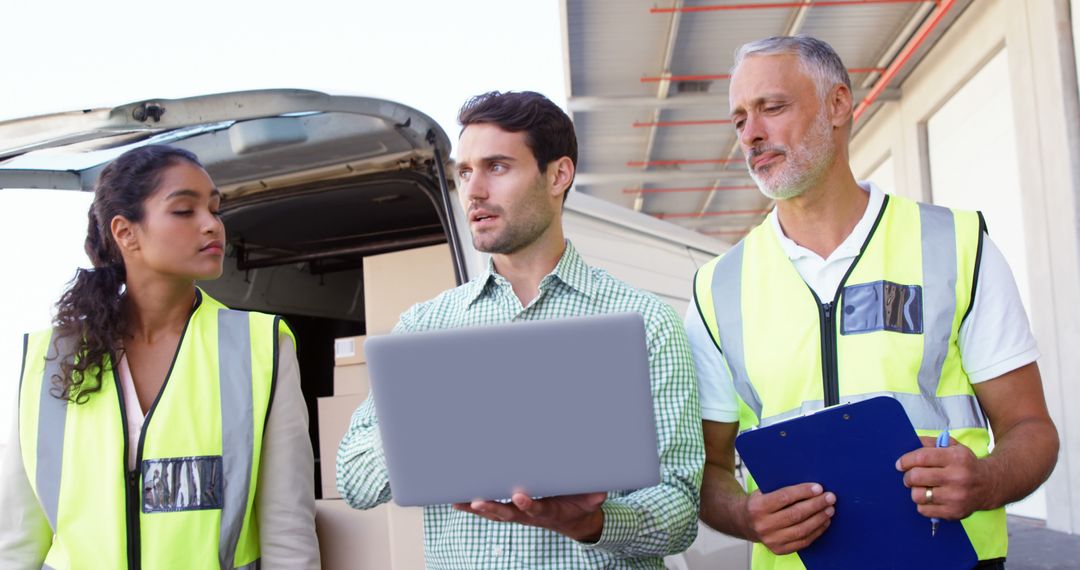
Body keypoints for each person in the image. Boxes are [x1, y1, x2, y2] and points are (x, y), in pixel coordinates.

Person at [687, 36, 1059, 569]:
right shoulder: (716, 288)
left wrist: (984, 480)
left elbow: (1031, 429)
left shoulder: (956, 244)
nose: (752, 134)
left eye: (772, 107)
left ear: (838, 104)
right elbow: (709, 468)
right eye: (740, 119)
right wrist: (747, 515)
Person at [336, 91, 704, 568]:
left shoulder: (646, 323)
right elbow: (355, 481)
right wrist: (438, 418)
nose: (473, 191)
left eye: (497, 167)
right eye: (465, 171)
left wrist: (592, 522)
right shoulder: (425, 328)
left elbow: (680, 511)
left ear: (558, 175)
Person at [0, 145, 320, 569]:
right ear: (125, 231)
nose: (212, 225)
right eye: (185, 211)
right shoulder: (50, 358)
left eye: (214, 209)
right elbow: (17, 539)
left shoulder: (260, 345)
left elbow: (288, 529)